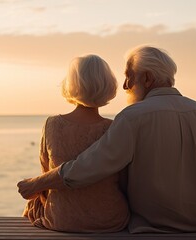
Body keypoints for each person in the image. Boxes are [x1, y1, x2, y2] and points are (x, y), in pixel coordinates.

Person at [18, 46, 196, 233]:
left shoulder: (132, 117)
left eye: (129, 76)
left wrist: (38, 183)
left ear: (148, 78)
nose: (125, 86)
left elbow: (88, 168)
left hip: (155, 226)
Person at [21, 54, 130, 232]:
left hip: (63, 220)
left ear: (71, 84)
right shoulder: (114, 128)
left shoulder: (53, 124)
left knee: (33, 206)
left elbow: (47, 176)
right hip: (110, 219)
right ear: (109, 85)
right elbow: (124, 182)